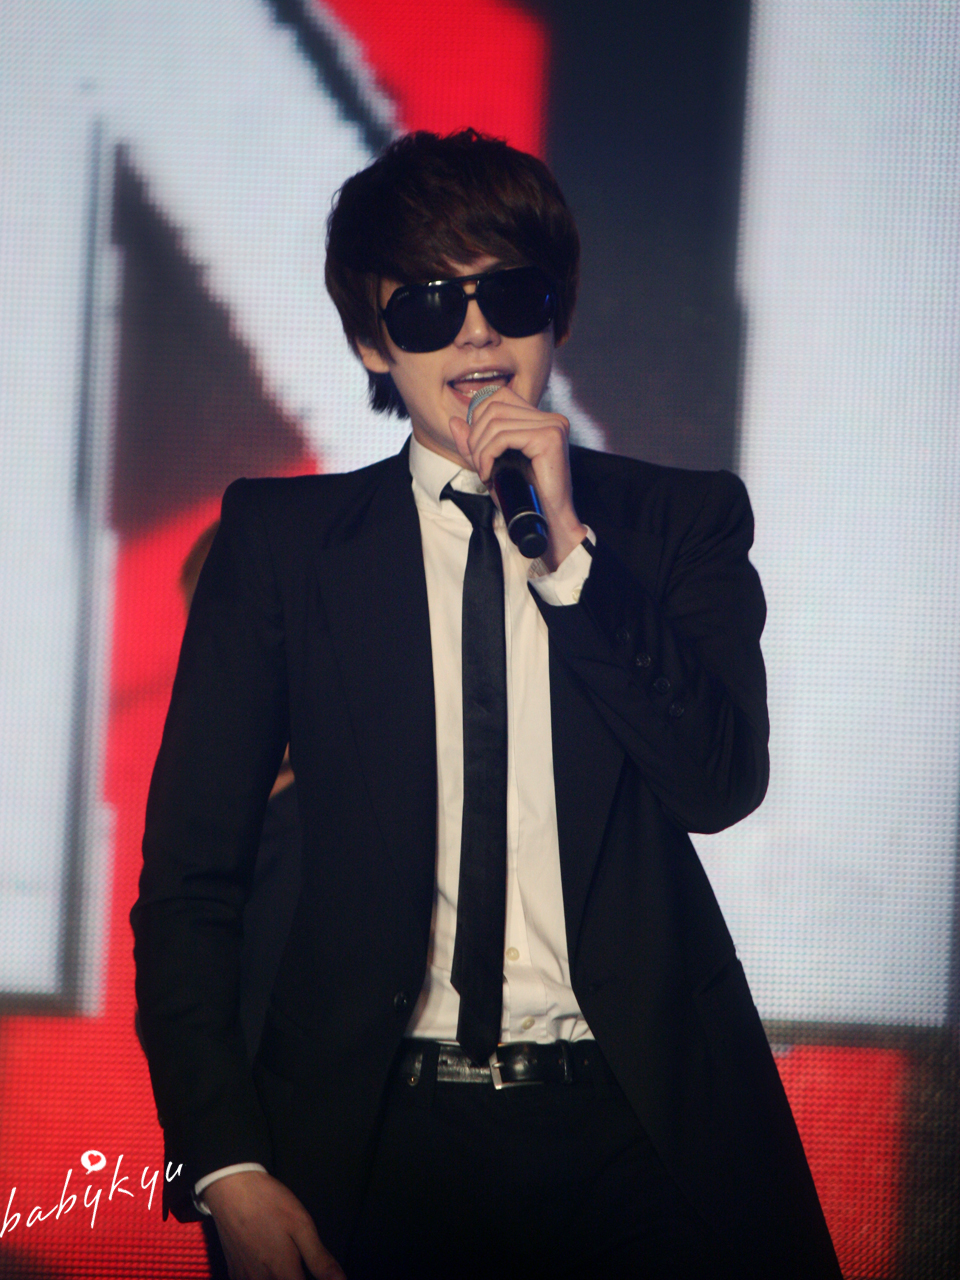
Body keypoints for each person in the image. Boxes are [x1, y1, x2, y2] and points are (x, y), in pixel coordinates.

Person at [132, 130, 841, 1279]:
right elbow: (190, 881)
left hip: (634, 1128)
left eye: (508, 295)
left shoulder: (679, 522)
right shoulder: (282, 544)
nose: (473, 333)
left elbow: (719, 782)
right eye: (425, 304)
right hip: (375, 1136)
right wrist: (225, 1163)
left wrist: (570, 561)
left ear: (556, 315)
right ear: (371, 340)